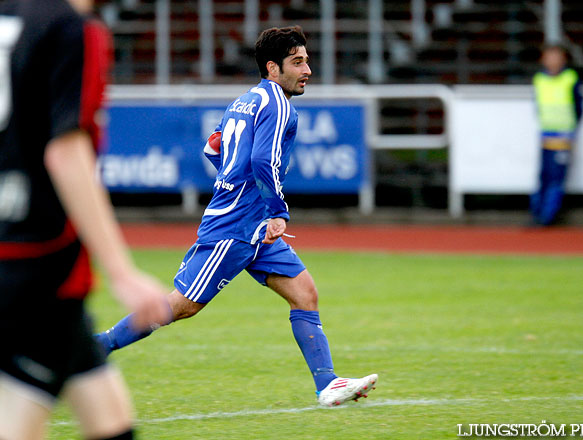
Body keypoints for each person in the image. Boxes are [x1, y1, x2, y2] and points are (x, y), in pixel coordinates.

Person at [94, 26, 378, 408]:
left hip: (252, 224)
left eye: (307, 60)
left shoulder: (244, 101)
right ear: (273, 68)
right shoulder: (278, 105)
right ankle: (96, 347)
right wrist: (276, 210)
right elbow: (263, 160)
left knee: (304, 293)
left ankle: (327, 385)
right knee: (182, 306)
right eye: (298, 62)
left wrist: (235, 182)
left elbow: (212, 148)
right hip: (234, 226)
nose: (308, 69)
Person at [0, 0, 172, 439]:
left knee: (111, 422)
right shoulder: (74, 29)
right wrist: (120, 271)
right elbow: (66, 151)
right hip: (36, 266)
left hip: (30, 263)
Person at [530, 44, 583, 226]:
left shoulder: (570, 78)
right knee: (543, 176)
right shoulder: (539, 79)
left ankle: (547, 216)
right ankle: (536, 212)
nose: (552, 61)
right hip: (545, 135)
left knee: (556, 178)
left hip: (563, 137)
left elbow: (578, 108)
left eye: (556, 56)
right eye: (549, 56)